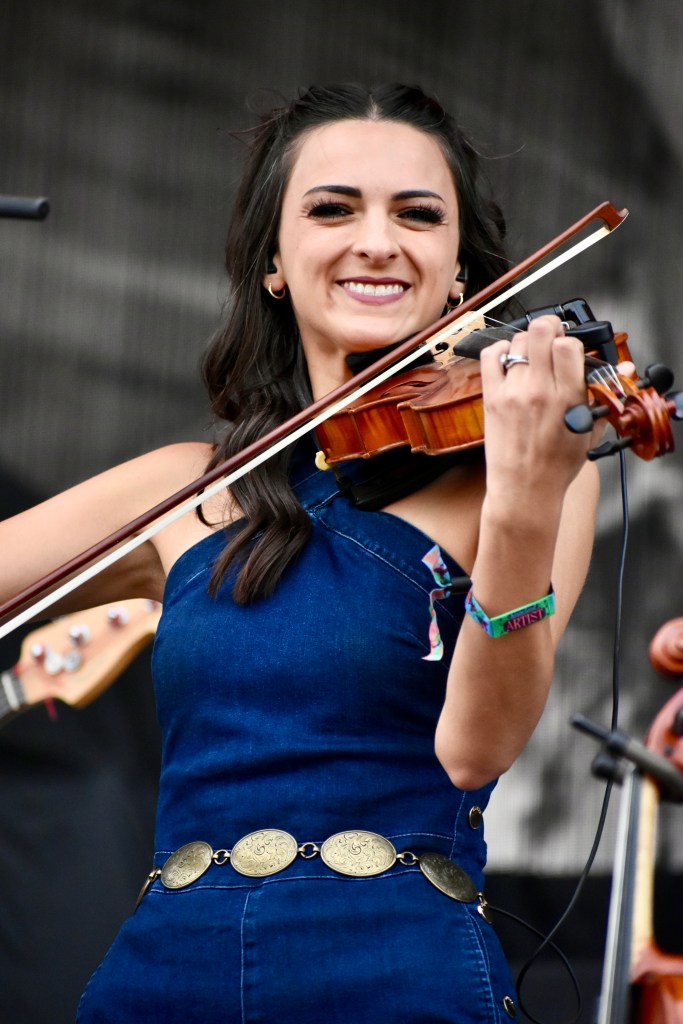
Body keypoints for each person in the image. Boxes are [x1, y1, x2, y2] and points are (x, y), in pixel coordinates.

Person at [2, 84, 601, 1022]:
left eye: (417, 215)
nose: (377, 241)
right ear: (274, 263)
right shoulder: (185, 488)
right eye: (332, 209)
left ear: (459, 271)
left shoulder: (517, 472)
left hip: (398, 976)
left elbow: (475, 749)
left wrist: (526, 499)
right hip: (165, 977)